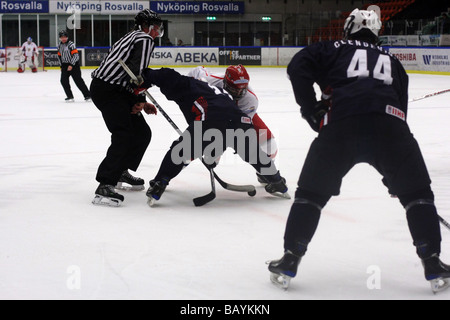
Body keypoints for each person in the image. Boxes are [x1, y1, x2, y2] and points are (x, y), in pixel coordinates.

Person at [267, 9, 450, 293]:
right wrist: (396, 176)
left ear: (349, 27)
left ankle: (290, 258)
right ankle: (433, 262)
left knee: (311, 196)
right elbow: (401, 112)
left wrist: (311, 109)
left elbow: (297, 67)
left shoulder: (331, 48)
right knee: (418, 196)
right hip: (391, 127)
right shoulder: (394, 63)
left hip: (342, 125)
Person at [138, 67, 289, 206]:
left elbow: (166, 75)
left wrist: (145, 76)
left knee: (179, 151)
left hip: (212, 119)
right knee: (254, 154)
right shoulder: (215, 87)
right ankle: (277, 182)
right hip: (237, 120)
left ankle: (159, 183)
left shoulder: (189, 83)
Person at [90, 9, 163, 207]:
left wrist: (139, 101)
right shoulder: (145, 39)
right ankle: (105, 184)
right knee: (123, 134)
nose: (157, 32)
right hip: (109, 91)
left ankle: (121, 171)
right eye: (156, 27)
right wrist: (138, 98)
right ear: (146, 27)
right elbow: (137, 75)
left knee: (141, 132)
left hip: (115, 90)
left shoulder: (132, 36)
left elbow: (130, 74)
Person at [188, 65, 278, 183]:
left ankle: (264, 174)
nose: (240, 92)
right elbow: (197, 71)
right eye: (236, 89)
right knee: (201, 150)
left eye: (243, 89)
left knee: (270, 146)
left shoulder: (250, 100)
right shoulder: (211, 80)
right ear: (225, 82)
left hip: (240, 116)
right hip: (216, 113)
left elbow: (242, 127)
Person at [57, 30, 91, 102]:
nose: (63, 39)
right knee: (63, 81)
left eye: (65, 37)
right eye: (62, 37)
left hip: (74, 65)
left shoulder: (71, 44)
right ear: (60, 38)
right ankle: (70, 96)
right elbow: (59, 56)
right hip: (64, 66)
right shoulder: (59, 45)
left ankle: (88, 95)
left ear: (67, 37)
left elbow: (76, 56)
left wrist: (71, 65)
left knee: (78, 81)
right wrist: (61, 66)